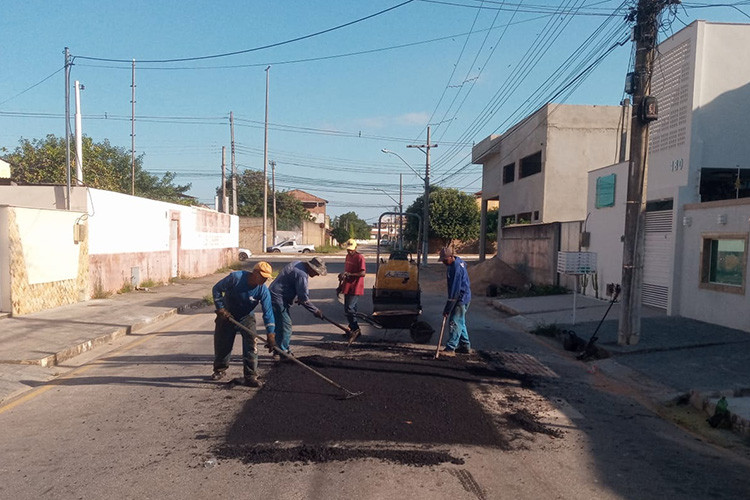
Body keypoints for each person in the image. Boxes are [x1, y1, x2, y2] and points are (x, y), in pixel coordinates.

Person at [211, 261, 276, 387]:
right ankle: (219, 369)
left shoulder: (263, 291)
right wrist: (220, 308)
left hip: (246, 316)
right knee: (222, 343)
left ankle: (251, 375)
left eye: (266, 278)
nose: (264, 280)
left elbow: (268, 312)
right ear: (255, 273)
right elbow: (217, 289)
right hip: (227, 315)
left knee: (252, 343)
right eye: (262, 277)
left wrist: (271, 334)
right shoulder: (236, 278)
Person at [268, 257, 327, 358]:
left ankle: (278, 350)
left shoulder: (297, 263)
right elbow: (304, 299)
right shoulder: (302, 275)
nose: (317, 274)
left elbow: (294, 287)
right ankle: (284, 352)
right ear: (311, 267)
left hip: (275, 296)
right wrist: (315, 311)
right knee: (286, 326)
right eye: (316, 272)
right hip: (278, 299)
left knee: (280, 326)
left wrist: (299, 297)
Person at [438, 247, 472, 355]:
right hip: (464, 296)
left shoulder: (456, 268)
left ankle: (451, 348)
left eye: (445, 260)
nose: (443, 262)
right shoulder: (455, 263)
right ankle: (465, 345)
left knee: (454, 322)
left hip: (460, 298)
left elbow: (454, 291)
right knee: (461, 322)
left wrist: (447, 308)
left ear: (451, 257)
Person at [338, 239, 366, 341]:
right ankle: (352, 329)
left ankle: (356, 329)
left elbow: (362, 273)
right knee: (349, 309)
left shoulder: (360, 257)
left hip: (356, 286)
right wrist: (342, 279)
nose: (349, 252)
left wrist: (350, 274)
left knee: (349, 308)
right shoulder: (347, 257)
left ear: (355, 248)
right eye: (348, 250)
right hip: (347, 285)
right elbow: (347, 271)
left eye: (351, 250)